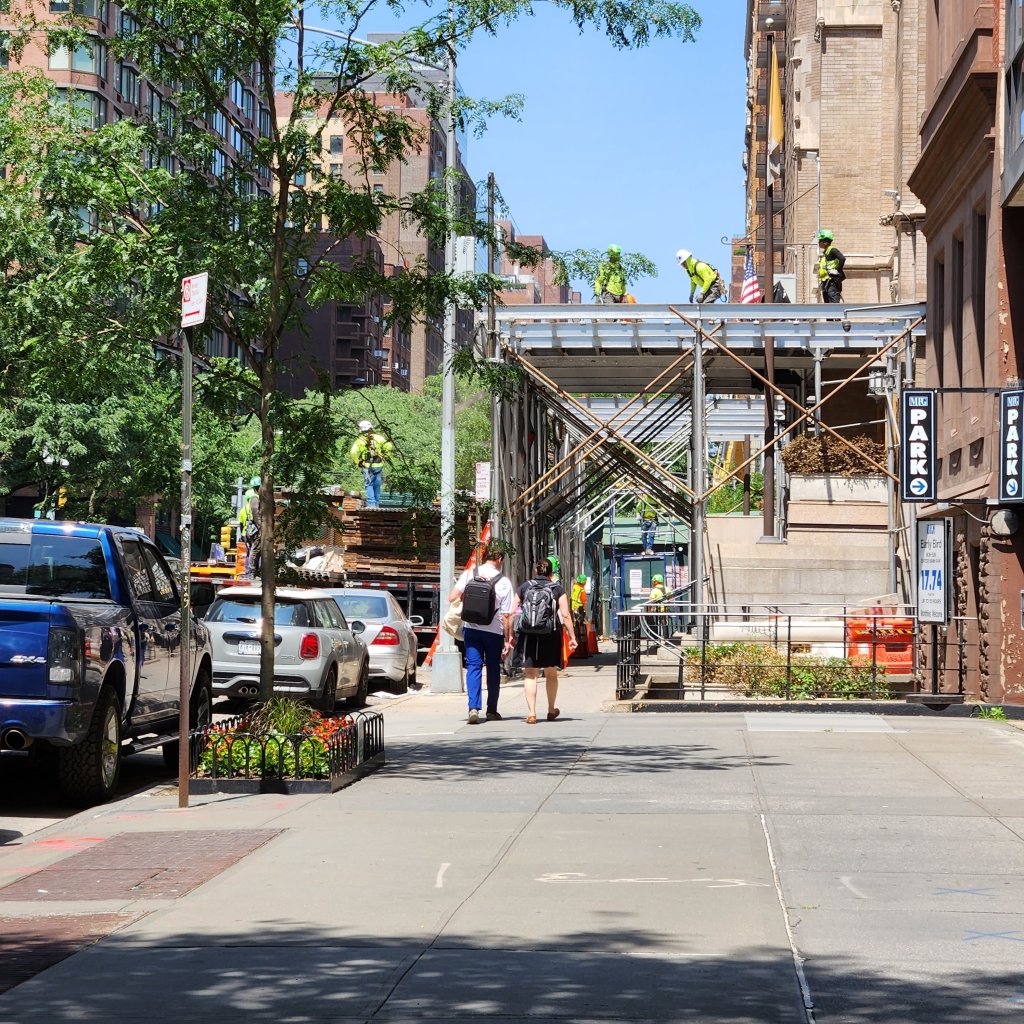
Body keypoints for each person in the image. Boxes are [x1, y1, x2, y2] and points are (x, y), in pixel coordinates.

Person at [448, 544, 514, 724]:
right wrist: (508, 639)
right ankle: (492, 710)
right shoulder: (504, 582)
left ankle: (473, 708)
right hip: (494, 632)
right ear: (499, 559)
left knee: (473, 667)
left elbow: (452, 597)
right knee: (493, 669)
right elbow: (506, 616)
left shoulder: (470, 573)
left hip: (472, 629)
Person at [508, 558, 577, 724]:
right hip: (550, 635)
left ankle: (531, 713)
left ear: (535, 571)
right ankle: (551, 710)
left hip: (527, 635)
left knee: (530, 674)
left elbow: (511, 613)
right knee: (551, 673)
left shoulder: (524, 587)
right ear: (551, 573)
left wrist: (510, 635)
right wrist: (572, 637)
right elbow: (566, 615)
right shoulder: (557, 589)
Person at [350, 420, 394, 509]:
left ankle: (371, 505)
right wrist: (385, 456)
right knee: (377, 485)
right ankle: (376, 504)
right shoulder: (379, 438)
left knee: (369, 485)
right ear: (371, 428)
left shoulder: (360, 440)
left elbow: (353, 452)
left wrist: (358, 461)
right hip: (378, 465)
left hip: (367, 467)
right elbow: (389, 446)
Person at [238, 476, 261, 577]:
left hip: (247, 532)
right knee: (255, 551)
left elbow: (241, 523)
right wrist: (260, 527)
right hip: (255, 530)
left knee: (251, 551)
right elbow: (256, 516)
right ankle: (252, 571)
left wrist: (242, 534)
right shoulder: (256, 501)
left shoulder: (243, 509)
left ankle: (249, 571)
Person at [817, 230, 846, 303]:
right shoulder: (825, 253)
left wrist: (837, 270)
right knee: (827, 304)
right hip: (826, 282)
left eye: (820, 241)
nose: (819, 243)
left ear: (825, 242)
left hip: (832, 282)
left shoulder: (832, 250)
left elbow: (842, 258)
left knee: (833, 303)